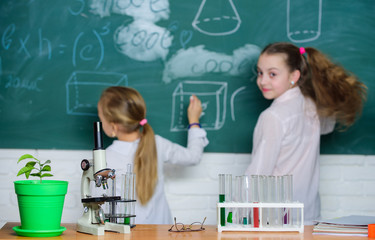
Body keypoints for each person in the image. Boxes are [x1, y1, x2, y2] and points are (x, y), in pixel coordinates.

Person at [245, 42, 367, 225]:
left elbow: (258, 174)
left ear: (294, 75)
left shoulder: (273, 116)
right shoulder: (313, 107)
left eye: (272, 74)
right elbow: (329, 126)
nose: (263, 81)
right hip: (309, 214)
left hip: (276, 218)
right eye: (260, 72)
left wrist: (237, 215)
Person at [97, 86, 209, 224]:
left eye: (100, 117)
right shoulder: (158, 144)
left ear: (113, 126)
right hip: (162, 233)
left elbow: (97, 206)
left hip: (124, 234)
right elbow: (193, 156)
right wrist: (194, 120)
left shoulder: (104, 158)